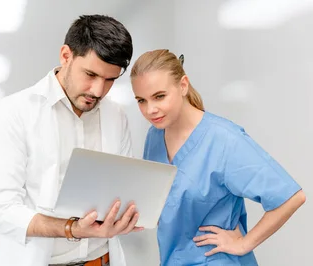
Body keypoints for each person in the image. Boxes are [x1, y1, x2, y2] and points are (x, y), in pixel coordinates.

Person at [0, 15, 144, 266]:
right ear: (66, 56)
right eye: (90, 74)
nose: (98, 91)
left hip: (100, 260)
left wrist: (125, 216)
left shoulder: (116, 116)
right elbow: (3, 210)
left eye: (110, 80)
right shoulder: (13, 113)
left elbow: (122, 190)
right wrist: (73, 228)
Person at [129, 49, 307, 265]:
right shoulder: (155, 135)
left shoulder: (223, 139)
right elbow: (165, 202)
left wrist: (244, 243)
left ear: (183, 85)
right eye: (141, 100)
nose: (151, 110)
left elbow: (290, 197)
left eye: (159, 96)